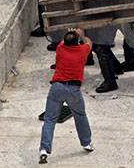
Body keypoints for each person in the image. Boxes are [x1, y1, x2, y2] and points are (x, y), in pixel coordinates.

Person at [39, 28, 94, 164]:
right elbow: (89, 42)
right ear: (77, 42)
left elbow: (64, 41)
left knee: (50, 119)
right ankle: (86, 143)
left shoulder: (60, 49)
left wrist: (70, 33)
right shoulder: (83, 51)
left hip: (57, 88)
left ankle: (44, 149)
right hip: (73, 89)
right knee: (80, 116)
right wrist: (81, 35)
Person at [79, 0, 122, 92]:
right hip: (96, 16)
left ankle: (110, 81)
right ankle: (116, 67)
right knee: (98, 45)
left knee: (102, 48)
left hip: (109, 17)